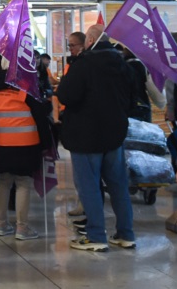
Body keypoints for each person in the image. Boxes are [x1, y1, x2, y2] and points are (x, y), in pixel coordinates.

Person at [55, 27, 135, 253]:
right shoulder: (123, 65)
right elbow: (132, 99)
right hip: (115, 134)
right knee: (119, 185)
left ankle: (96, 235)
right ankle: (126, 234)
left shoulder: (84, 64)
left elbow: (67, 95)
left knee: (89, 186)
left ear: (89, 40)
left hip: (85, 135)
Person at [0, 52, 50, 240]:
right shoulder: (25, 84)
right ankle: (22, 228)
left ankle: (0, 224)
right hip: (25, 142)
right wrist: (46, 143)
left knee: (3, 182)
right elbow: (40, 113)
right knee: (23, 184)